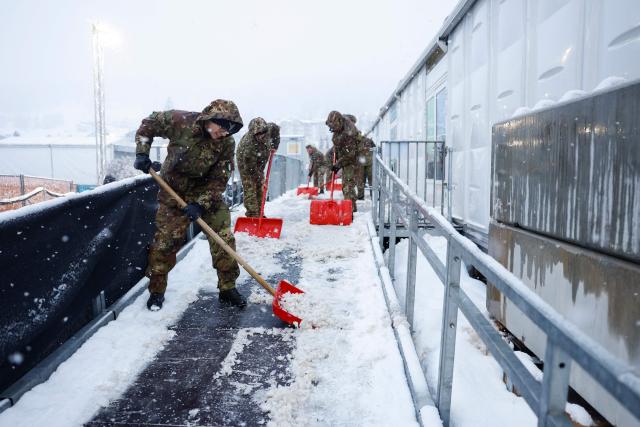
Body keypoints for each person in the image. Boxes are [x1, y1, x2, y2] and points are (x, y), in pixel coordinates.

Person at [133, 99, 246, 310]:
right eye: (221, 129)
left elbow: (219, 178)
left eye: (228, 133)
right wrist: (142, 152)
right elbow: (150, 123)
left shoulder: (226, 143)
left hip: (206, 195)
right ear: (210, 119)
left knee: (223, 239)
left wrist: (201, 204)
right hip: (173, 193)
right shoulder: (180, 121)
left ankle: (227, 287)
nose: (223, 135)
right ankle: (157, 291)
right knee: (164, 243)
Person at [326, 111, 360, 212]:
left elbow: (350, 155)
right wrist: (334, 163)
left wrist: (338, 164)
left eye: (334, 127)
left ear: (340, 122)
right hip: (344, 153)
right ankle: (351, 206)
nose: (333, 129)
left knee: (347, 185)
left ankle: (349, 210)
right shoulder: (337, 123)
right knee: (346, 184)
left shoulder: (350, 132)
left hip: (353, 157)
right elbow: (337, 143)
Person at [236, 118, 270, 218]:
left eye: (262, 133)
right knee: (250, 188)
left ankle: (260, 213)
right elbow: (250, 167)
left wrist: (275, 145)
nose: (260, 136)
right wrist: (260, 178)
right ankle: (252, 215)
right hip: (246, 165)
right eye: (257, 134)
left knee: (261, 189)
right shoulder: (248, 144)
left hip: (259, 163)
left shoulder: (268, 132)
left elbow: (276, 129)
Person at [343, 114, 375, 200]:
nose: (360, 136)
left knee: (371, 179)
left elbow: (374, 149)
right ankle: (361, 196)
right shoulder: (355, 141)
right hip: (360, 163)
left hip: (369, 162)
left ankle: (374, 195)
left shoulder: (369, 140)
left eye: (360, 134)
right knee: (360, 180)